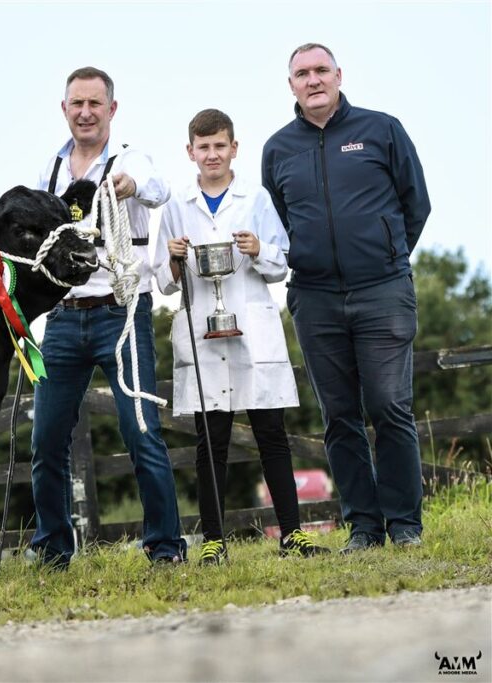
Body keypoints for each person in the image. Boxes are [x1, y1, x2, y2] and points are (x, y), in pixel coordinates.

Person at [261, 43, 431, 553]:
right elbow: (278, 225)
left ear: (339, 75)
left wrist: (386, 258)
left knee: (388, 406)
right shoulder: (277, 149)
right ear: (290, 84)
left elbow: (415, 204)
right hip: (314, 298)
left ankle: (404, 525)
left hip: (382, 291)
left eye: (320, 71)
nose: (312, 80)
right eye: (301, 74)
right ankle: (363, 527)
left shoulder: (382, 129)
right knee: (339, 415)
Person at [152, 108, 330, 564]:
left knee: (272, 433)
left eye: (220, 146)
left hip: (252, 325)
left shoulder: (256, 198)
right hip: (203, 334)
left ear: (234, 148)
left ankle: (292, 533)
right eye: (203, 147)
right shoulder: (176, 205)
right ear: (190, 151)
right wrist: (172, 259)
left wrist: (259, 249)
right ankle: (213, 538)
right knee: (211, 440)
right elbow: (165, 282)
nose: (212, 154)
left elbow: (279, 263)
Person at [29, 66, 186, 567]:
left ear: (111, 110)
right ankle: (52, 548)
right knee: (46, 440)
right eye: (77, 103)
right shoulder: (48, 173)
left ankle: (165, 546)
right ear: (64, 109)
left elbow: (157, 187)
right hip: (62, 318)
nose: (85, 112)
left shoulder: (128, 158)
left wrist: (128, 184)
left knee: (141, 431)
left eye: (95, 103)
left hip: (121, 311)